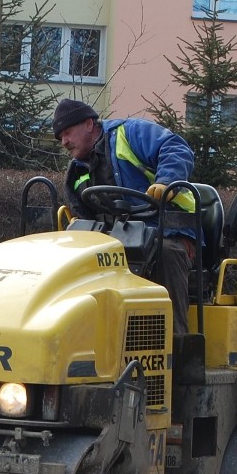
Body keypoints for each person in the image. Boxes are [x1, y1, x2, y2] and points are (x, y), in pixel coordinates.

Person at [52, 98, 197, 336]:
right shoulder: (77, 172)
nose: (64, 141)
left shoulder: (129, 134)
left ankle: (176, 346)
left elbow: (176, 147)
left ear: (89, 124)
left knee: (166, 254)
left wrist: (165, 183)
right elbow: (82, 216)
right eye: (60, 138)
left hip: (168, 231)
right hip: (117, 241)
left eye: (67, 132)